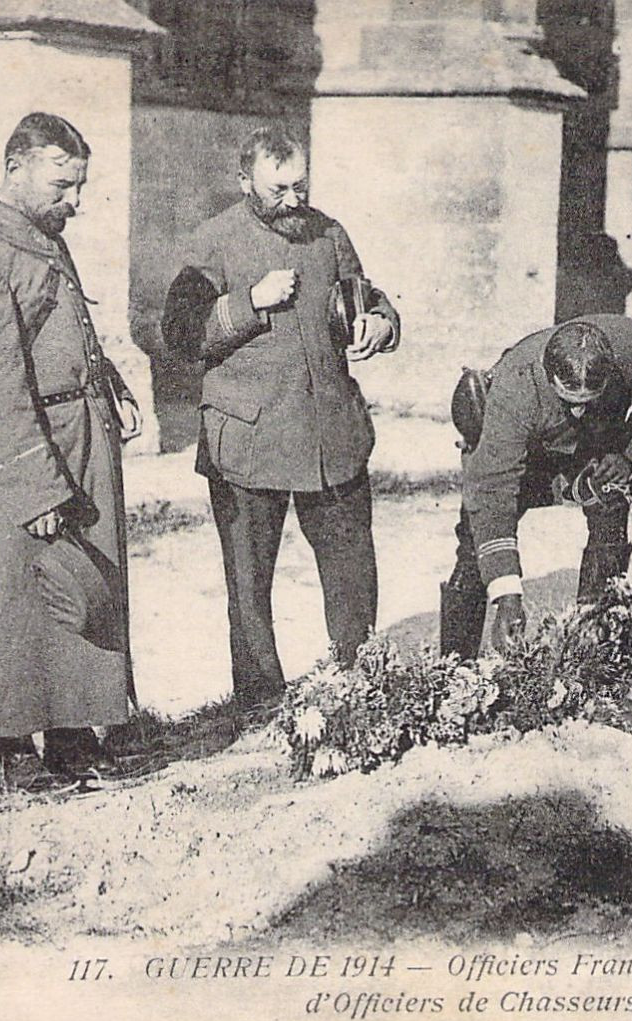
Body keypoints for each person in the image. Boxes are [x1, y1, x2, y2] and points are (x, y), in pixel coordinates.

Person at [0, 113, 144, 791]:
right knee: (11, 603)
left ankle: (73, 735)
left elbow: (68, 330)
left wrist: (112, 384)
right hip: (15, 457)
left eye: (80, 185)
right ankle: (13, 749)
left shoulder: (39, 238)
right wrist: (36, 486)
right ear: (14, 167)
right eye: (61, 184)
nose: (74, 200)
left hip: (77, 439)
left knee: (79, 590)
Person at [161, 126, 400, 702]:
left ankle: (356, 681)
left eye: (300, 186)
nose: (294, 201)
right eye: (278, 190)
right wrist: (250, 302)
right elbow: (180, 334)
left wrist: (380, 323)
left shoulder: (329, 233)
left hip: (329, 437)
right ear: (244, 182)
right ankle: (260, 700)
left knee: (351, 568)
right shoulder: (213, 241)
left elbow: (368, 297)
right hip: (249, 439)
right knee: (248, 583)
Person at [441, 314, 632, 657]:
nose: (578, 412)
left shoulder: (629, 343)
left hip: (598, 449)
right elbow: (493, 494)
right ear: (548, 375)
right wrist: (507, 596)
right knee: (475, 538)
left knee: (610, 511)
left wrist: (631, 456)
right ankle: (455, 667)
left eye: (588, 401)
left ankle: (595, 650)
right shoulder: (515, 388)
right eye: (569, 401)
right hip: (528, 452)